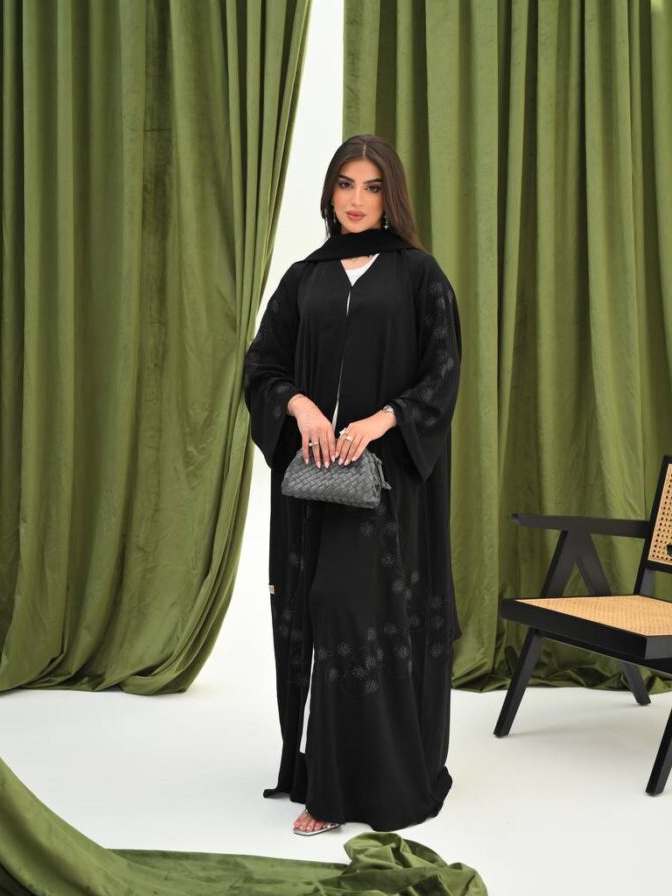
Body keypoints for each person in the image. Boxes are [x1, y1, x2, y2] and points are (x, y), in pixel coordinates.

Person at [243, 135, 461, 835]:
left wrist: (381, 420)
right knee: (320, 612)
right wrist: (299, 406)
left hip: (389, 485)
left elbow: (442, 374)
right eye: (345, 183)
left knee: (356, 611)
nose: (357, 199)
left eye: (371, 186)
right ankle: (328, 772)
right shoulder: (304, 278)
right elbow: (262, 366)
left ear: (390, 195)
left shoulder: (419, 274)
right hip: (313, 487)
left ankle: (353, 789)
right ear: (329, 192)